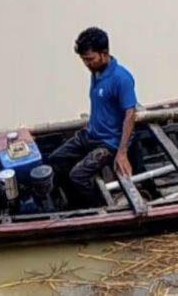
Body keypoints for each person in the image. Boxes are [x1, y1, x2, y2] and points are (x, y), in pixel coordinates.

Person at [47, 27, 140, 208]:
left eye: (90, 59)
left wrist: (121, 152)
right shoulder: (96, 73)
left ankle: (97, 208)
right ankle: (72, 201)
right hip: (91, 134)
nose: (87, 64)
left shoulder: (121, 78)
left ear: (104, 53)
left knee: (78, 175)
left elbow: (130, 114)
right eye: (83, 60)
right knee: (55, 160)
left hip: (109, 142)